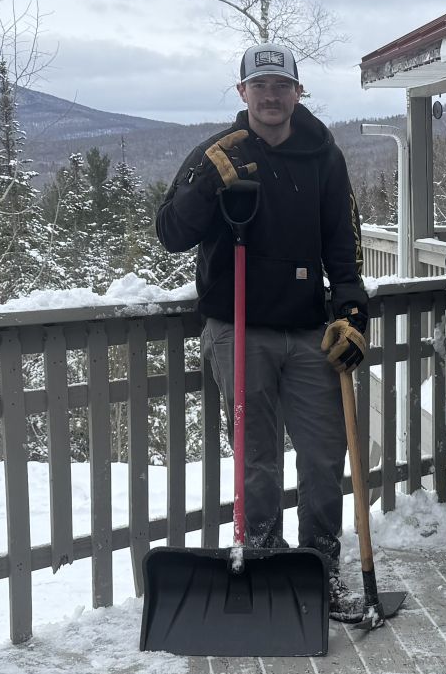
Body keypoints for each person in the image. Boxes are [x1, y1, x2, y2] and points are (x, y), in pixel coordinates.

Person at [157, 41, 370, 622]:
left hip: (306, 329)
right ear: (242, 92)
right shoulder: (218, 153)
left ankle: (320, 567)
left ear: (298, 92)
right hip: (238, 325)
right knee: (256, 458)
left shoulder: (323, 154)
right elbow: (171, 232)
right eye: (260, 86)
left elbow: (342, 241)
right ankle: (263, 562)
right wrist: (206, 183)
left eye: (282, 86)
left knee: (323, 454)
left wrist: (351, 310)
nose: (271, 96)